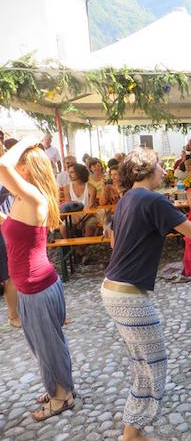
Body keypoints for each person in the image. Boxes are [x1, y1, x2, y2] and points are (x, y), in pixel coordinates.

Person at [102, 148, 191, 441]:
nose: (165, 171)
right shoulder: (153, 200)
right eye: (160, 166)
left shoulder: (127, 199)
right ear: (146, 171)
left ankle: (132, 430)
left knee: (142, 363)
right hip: (128, 297)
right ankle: (131, 434)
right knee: (154, 365)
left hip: (113, 290)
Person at [0, 136, 75, 421]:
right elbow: (16, 228)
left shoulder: (33, 196)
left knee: (47, 344)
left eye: (20, 164)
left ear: (28, 168)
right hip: (34, 285)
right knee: (46, 343)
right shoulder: (24, 197)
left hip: (37, 287)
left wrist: (27, 142)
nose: (14, 168)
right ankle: (61, 386)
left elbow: (1, 167)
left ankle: (61, 398)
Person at [0, 138, 20, 328]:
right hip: (5, 227)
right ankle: (13, 315)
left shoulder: (9, 174)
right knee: (9, 274)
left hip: (11, 224)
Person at [59, 164, 98, 239]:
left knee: (89, 229)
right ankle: (74, 247)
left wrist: (82, 221)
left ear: (79, 173)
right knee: (63, 229)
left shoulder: (91, 188)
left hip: (88, 215)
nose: (69, 175)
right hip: (73, 215)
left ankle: (81, 248)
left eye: (72, 172)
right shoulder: (67, 188)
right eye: (69, 172)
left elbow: (91, 207)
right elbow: (68, 207)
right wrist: (77, 219)